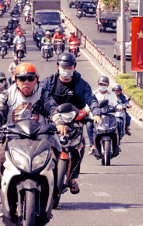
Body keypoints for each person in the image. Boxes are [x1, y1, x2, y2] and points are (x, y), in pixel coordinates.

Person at [0, 63, 56, 199]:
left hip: (39, 136)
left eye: (30, 79)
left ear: (36, 80)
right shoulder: (7, 94)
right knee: (1, 159)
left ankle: (52, 190)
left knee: (54, 157)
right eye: (22, 78)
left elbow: (53, 108)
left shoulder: (42, 93)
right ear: (15, 80)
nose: (26, 82)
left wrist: (59, 122)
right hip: (13, 137)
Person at [41, 52, 101, 193]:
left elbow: (91, 98)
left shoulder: (81, 84)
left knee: (79, 148)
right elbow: (38, 94)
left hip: (74, 123)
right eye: (63, 66)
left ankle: (72, 178)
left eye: (69, 67)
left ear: (74, 67)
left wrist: (96, 113)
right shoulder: (49, 82)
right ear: (57, 66)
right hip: (51, 121)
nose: (66, 69)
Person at [88, 75, 119, 155]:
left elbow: (116, 104)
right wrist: (88, 109)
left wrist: (118, 107)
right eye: (101, 84)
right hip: (96, 116)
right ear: (98, 84)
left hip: (109, 115)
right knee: (89, 125)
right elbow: (89, 103)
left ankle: (117, 144)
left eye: (104, 84)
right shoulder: (93, 94)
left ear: (107, 85)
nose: (102, 86)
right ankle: (92, 145)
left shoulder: (112, 94)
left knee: (118, 123)